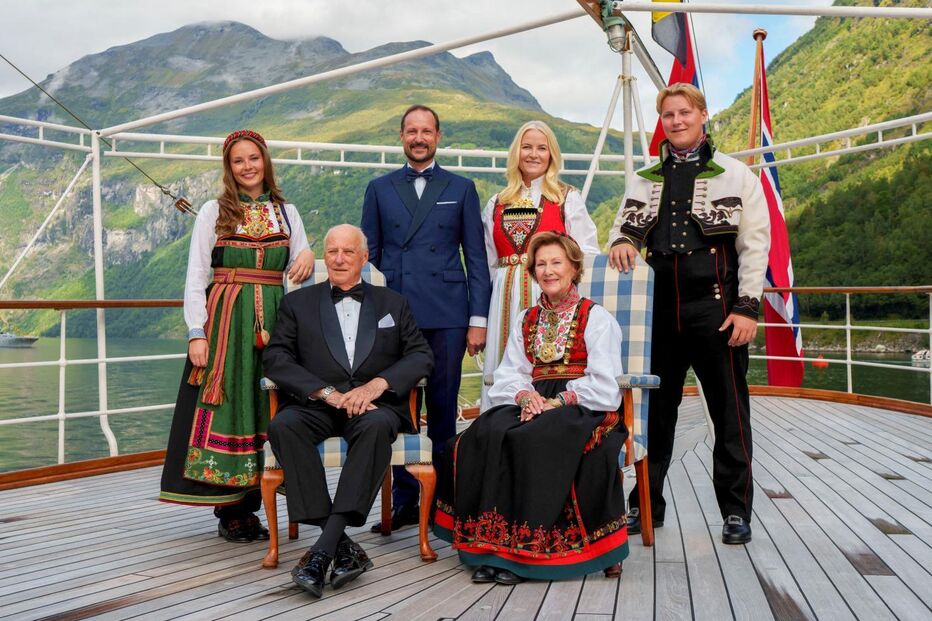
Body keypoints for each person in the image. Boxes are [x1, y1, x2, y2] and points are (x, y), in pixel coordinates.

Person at [608, 83, 770, 545]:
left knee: (729, 412)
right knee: (654, 414)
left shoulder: (737, 176)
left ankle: (736, 511)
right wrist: (622, 241)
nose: (676, 121)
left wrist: (746, 308)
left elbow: (754, 247)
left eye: (684, 113)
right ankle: (645, 507)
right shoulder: (643, 178)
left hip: (717, 310)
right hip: (658, 313)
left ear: (702, 115)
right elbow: (622, 231)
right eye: (668, 115)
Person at [434, 231, 629, 583]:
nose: (548, 271)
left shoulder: (596, 318)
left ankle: (526, 555)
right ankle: (491, 547)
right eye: (541, 264)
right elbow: (511, 371)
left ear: (574, 267)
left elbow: (604, 381)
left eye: (556, 263)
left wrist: (558, 400)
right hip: (533, 399)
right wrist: (526, 397)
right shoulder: (526, 318)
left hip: (583, 403)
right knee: (486, 433)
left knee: (533, 439)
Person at [159, 129, 314, 542]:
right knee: (229, 404)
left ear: (266, 161)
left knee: (269, 404)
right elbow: (196, 276)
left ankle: (266, 495)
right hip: (226, 319)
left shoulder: (287, 211)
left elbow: (302, 265)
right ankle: (232, 510)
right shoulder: (214, 210)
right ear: (229, 168)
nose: (247, 167)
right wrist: (196, 331)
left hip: (276, 321)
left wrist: (308, 253)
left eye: (253, 158)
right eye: (238, 161)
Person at [263, 224, 434, 598]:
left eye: (348, 252)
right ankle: (340, 546)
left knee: (375, 428)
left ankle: (321, 551)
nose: (339, 259)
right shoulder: (297, 303)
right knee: (283, 425)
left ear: (364, 257)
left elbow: (422, 354)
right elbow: (275, 358)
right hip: (318, 404)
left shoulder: (393, 302)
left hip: (375, 406)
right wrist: (325, 393)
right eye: (332, 252)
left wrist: (377, 385)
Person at [361, 104, 492, 531]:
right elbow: (370, 258)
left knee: (441, 405)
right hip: (394, 312)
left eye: (427, 131)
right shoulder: (379, 188)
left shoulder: (462, 187)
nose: (419, 138)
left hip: (448, 312)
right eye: (411, 131)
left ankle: (444, 502)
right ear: (401, 136)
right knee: (396, 406)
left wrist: (478, 319)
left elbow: (475, 258)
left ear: (438, 136)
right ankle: (402, 499)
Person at [480, 120, 600, 411]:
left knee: (546, 364)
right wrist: (482, 320)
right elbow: (486, 263)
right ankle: (499, 429)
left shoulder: (566, 198)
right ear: (516, 152)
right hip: (504, 297)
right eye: (527, 147)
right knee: (504, 366)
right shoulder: (496, 202)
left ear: (552, 155)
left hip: (549, 294)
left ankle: (545, 419)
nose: (534, 154)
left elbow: (586, 254)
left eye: (542, 148)